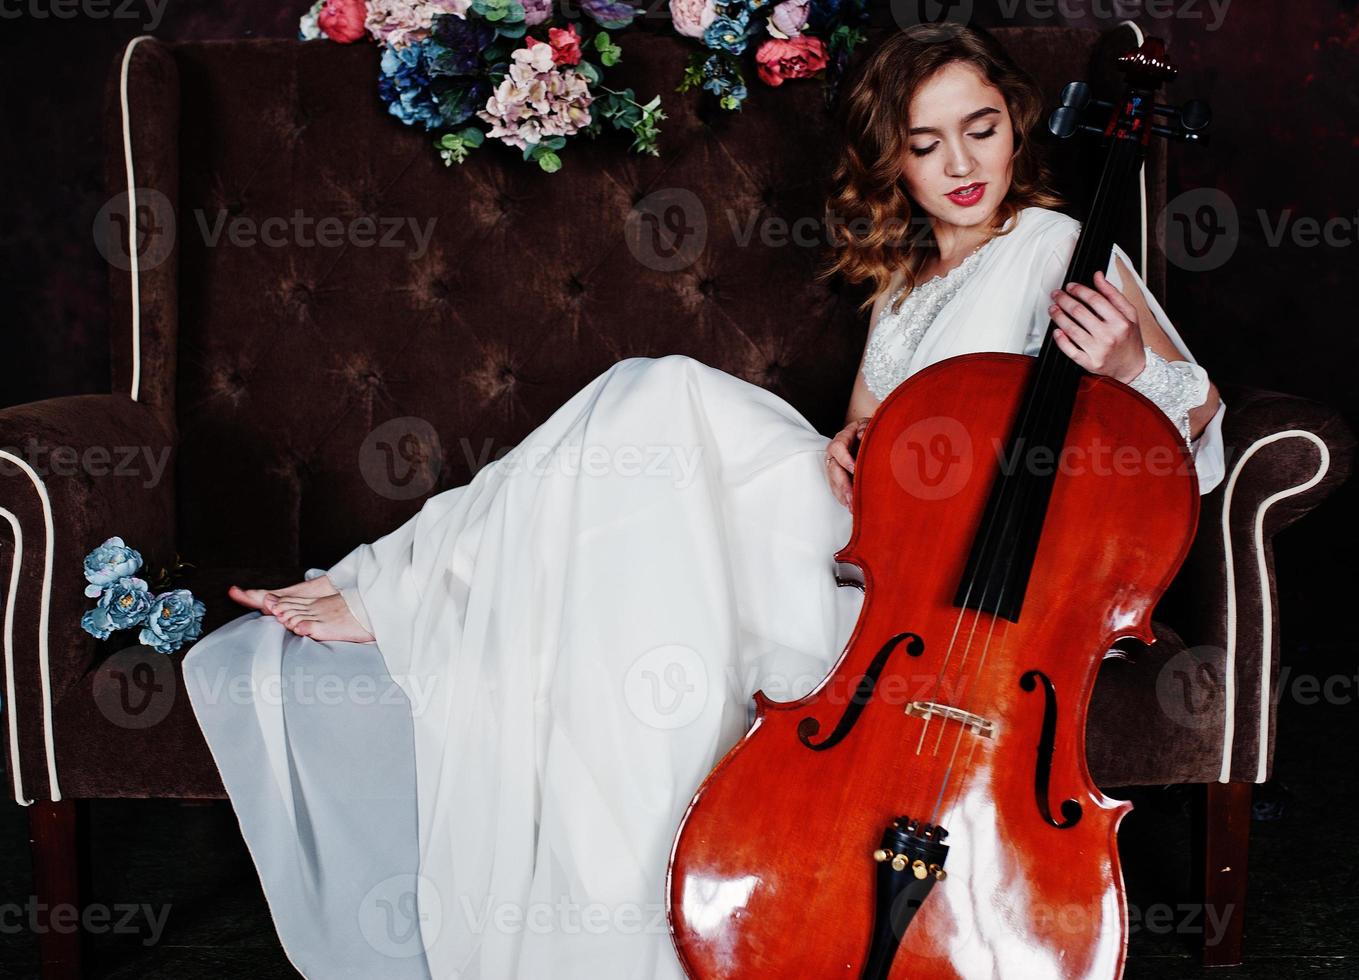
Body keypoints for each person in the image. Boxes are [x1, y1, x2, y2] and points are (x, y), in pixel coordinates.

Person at [183, 21, 1226, 980]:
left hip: (946, 598)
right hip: (873, 550)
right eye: (926, 142)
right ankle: (401, 584)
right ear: (894, 160)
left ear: (1016, 130)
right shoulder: (906, 281)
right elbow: (863, 433)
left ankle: (396, 583)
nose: (961, 164)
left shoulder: (1053, 244)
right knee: (648, 407)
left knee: (663, 391)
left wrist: (1135, 360)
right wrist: (857, 445)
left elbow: (1199, 427)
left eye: (982, 129)